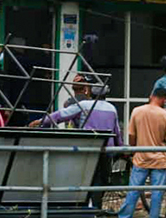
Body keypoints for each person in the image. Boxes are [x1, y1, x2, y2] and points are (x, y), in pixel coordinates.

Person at [28, 75, 123, 209]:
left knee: (87, 178)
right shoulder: (112, 109)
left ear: (89, 92)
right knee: (101, 179)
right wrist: (121, 148)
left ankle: (84, 207)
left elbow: (61, 115)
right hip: (106, 150)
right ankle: (96, 207)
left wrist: (41, 121)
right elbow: (117, 131)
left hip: (89, 149)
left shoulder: (84, 105)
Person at [117, 88, 166, 218]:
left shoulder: (137, 111)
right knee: (157, 193)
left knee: (133, 190)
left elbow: (131, 135)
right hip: (159, 159)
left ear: (151, 96)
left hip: (141, 157)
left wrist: (135, 147)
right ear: (163, 99)